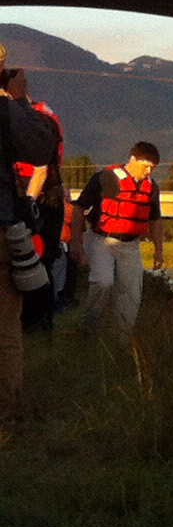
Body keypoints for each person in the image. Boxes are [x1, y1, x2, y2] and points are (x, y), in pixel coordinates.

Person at [74, 141, 164, 339]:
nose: (148, 171)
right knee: (103, 282)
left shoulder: (151, 188)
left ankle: (120, 340)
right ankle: (89, 331)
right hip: (101, 240)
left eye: (152, 168)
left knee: (131, 294)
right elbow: (79, 208)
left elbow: (155, 219)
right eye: (145, 165)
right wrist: (77, 243)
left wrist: (159, 250)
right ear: (132, 160)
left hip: (130, 245)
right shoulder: (105, 177)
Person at [5, 69, 66, 334]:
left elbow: (41, 165)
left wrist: (28, 201)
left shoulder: (37, 117)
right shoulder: (33, 114)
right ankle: (31, 321)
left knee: (39, 260)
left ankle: (39, 321)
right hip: (28, 197)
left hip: (41, 199)